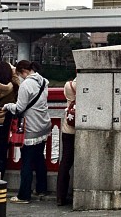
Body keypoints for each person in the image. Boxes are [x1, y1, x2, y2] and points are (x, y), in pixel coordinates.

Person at [2, 61, 51, 204]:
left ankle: (24, 195)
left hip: (31, 127)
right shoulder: (43, 81)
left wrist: (7, 106)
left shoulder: (26, 85)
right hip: (43, 125)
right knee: (39, 158)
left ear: (23, 71)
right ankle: (41, 188)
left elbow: (19, 108)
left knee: (27, 162)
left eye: (19, 74)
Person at [56, 77, 76, 206]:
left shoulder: (68, 85)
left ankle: (60, 196)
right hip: (83, 128)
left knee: (65, 162)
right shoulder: (89, 82)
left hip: (68, 128)